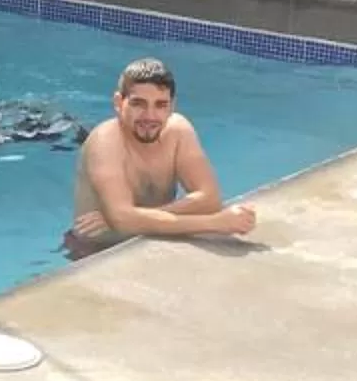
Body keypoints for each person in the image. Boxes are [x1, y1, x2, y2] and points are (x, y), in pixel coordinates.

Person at [62, 58, 255, 256]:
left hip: (155, 242)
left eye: (161, 105)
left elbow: (210, 199)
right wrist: (214, 223)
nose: (150, 116)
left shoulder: (178, 131)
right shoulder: (105, 141)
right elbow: (123, 220)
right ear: (119, 103)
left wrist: (132, 219)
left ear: (172, 106)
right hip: (94, 253)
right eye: (138, 104)